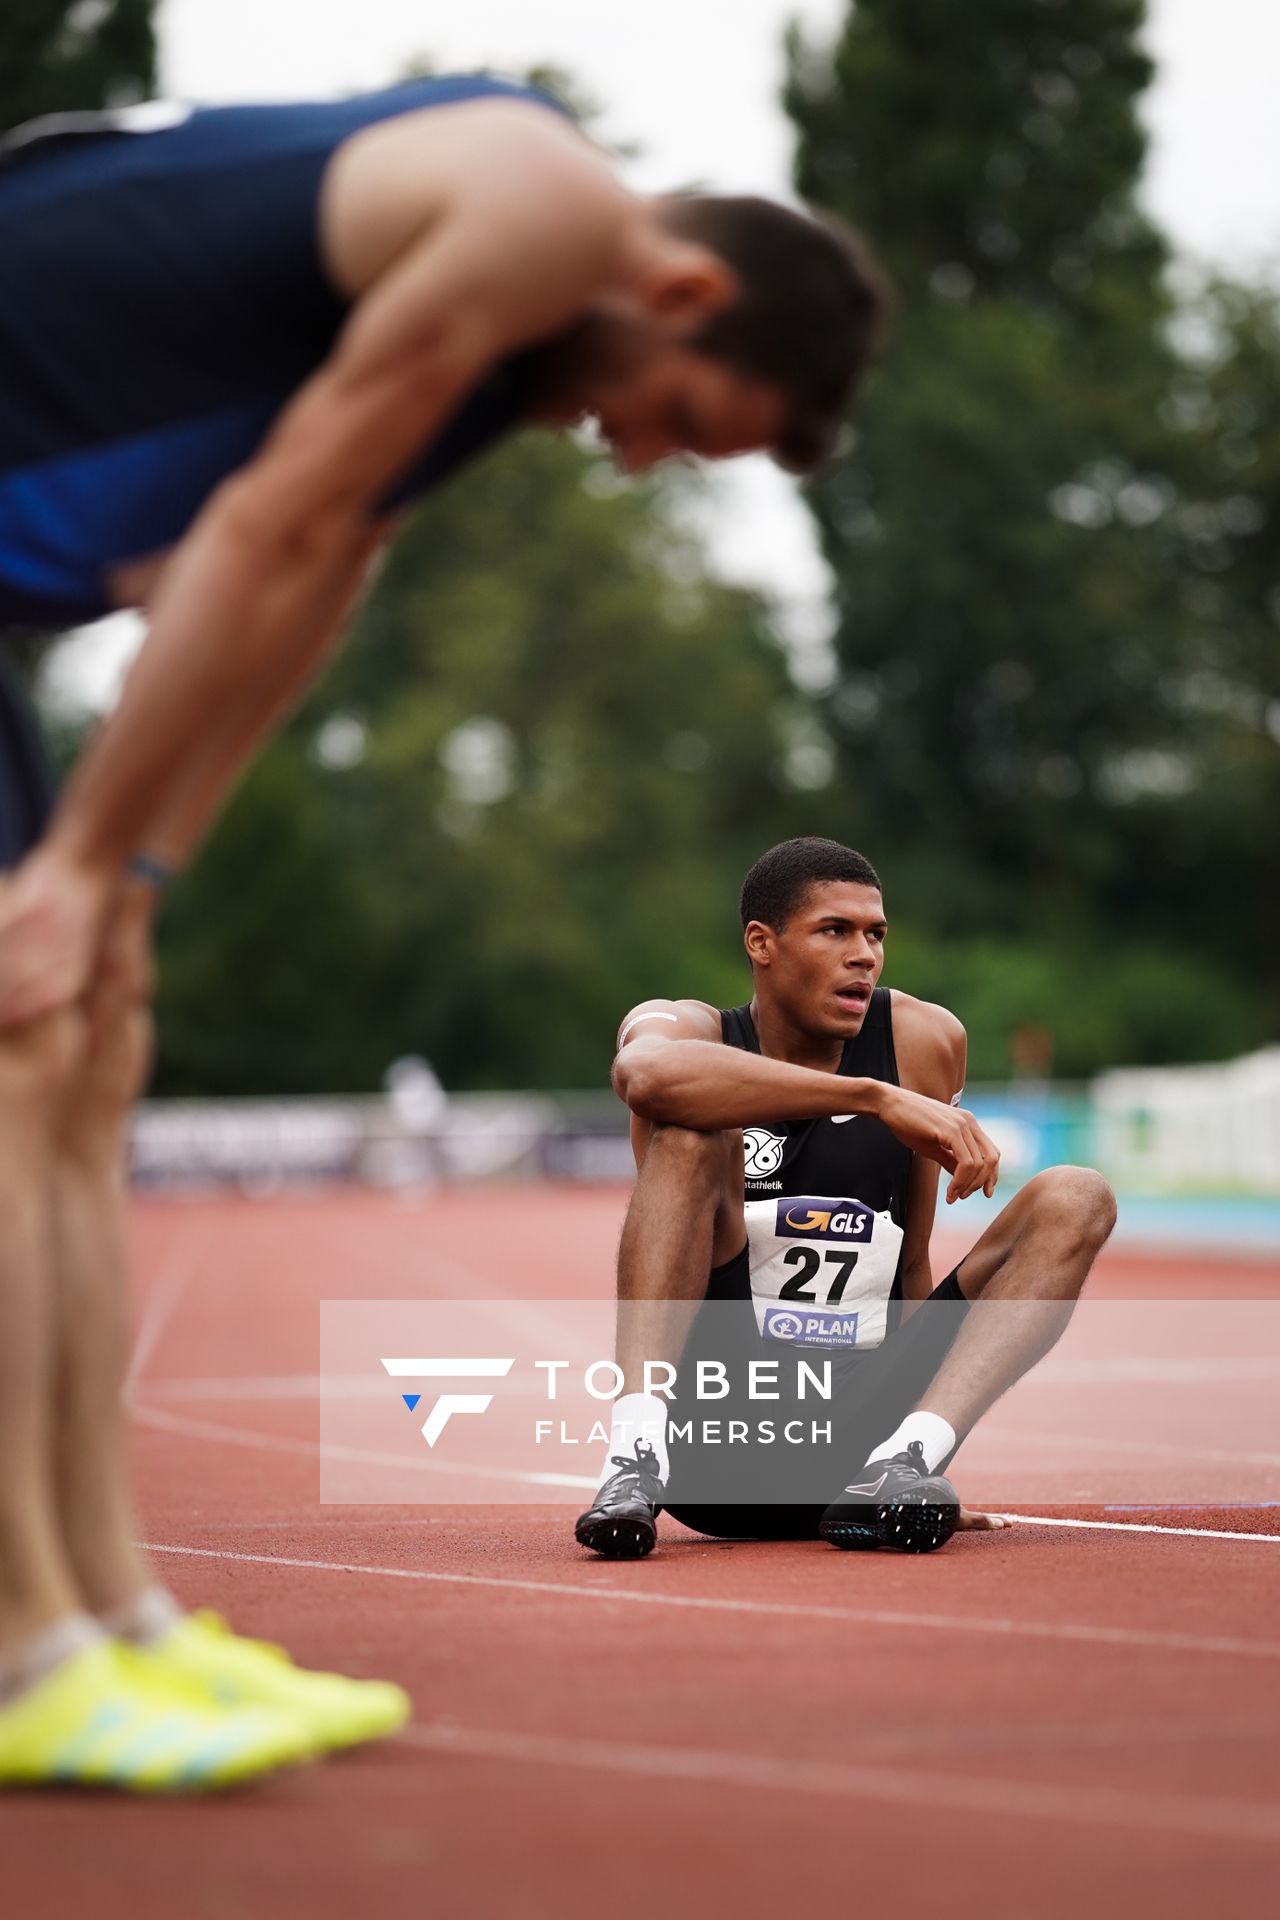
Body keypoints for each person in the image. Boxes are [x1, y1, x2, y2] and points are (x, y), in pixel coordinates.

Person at [0, 77, 888, 1788]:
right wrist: (82, 859)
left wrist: (131, 888)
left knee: (81, 1054)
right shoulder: (540, 211)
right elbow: (255, 528)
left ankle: (115, 1620)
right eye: (677, 418)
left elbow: (300, 574)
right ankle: (27, 1644)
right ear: (683, 296)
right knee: (20, 1067)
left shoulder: (504, 352)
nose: (636, 456)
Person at [575, 837, 1117, 1559]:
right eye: (836, 931)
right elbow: (645, 1076)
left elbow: (912, 1261)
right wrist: (872, 1098)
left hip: (855, 1437)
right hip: (715, 1441)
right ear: (761, 944)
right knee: (690, 1135)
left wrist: (916, 1431)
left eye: (876, 934)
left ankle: (907, 1461)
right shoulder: (688, 1027)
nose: (864, 954)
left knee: (1077, 1194)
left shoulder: (925, 1039)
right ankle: (632, 1457)